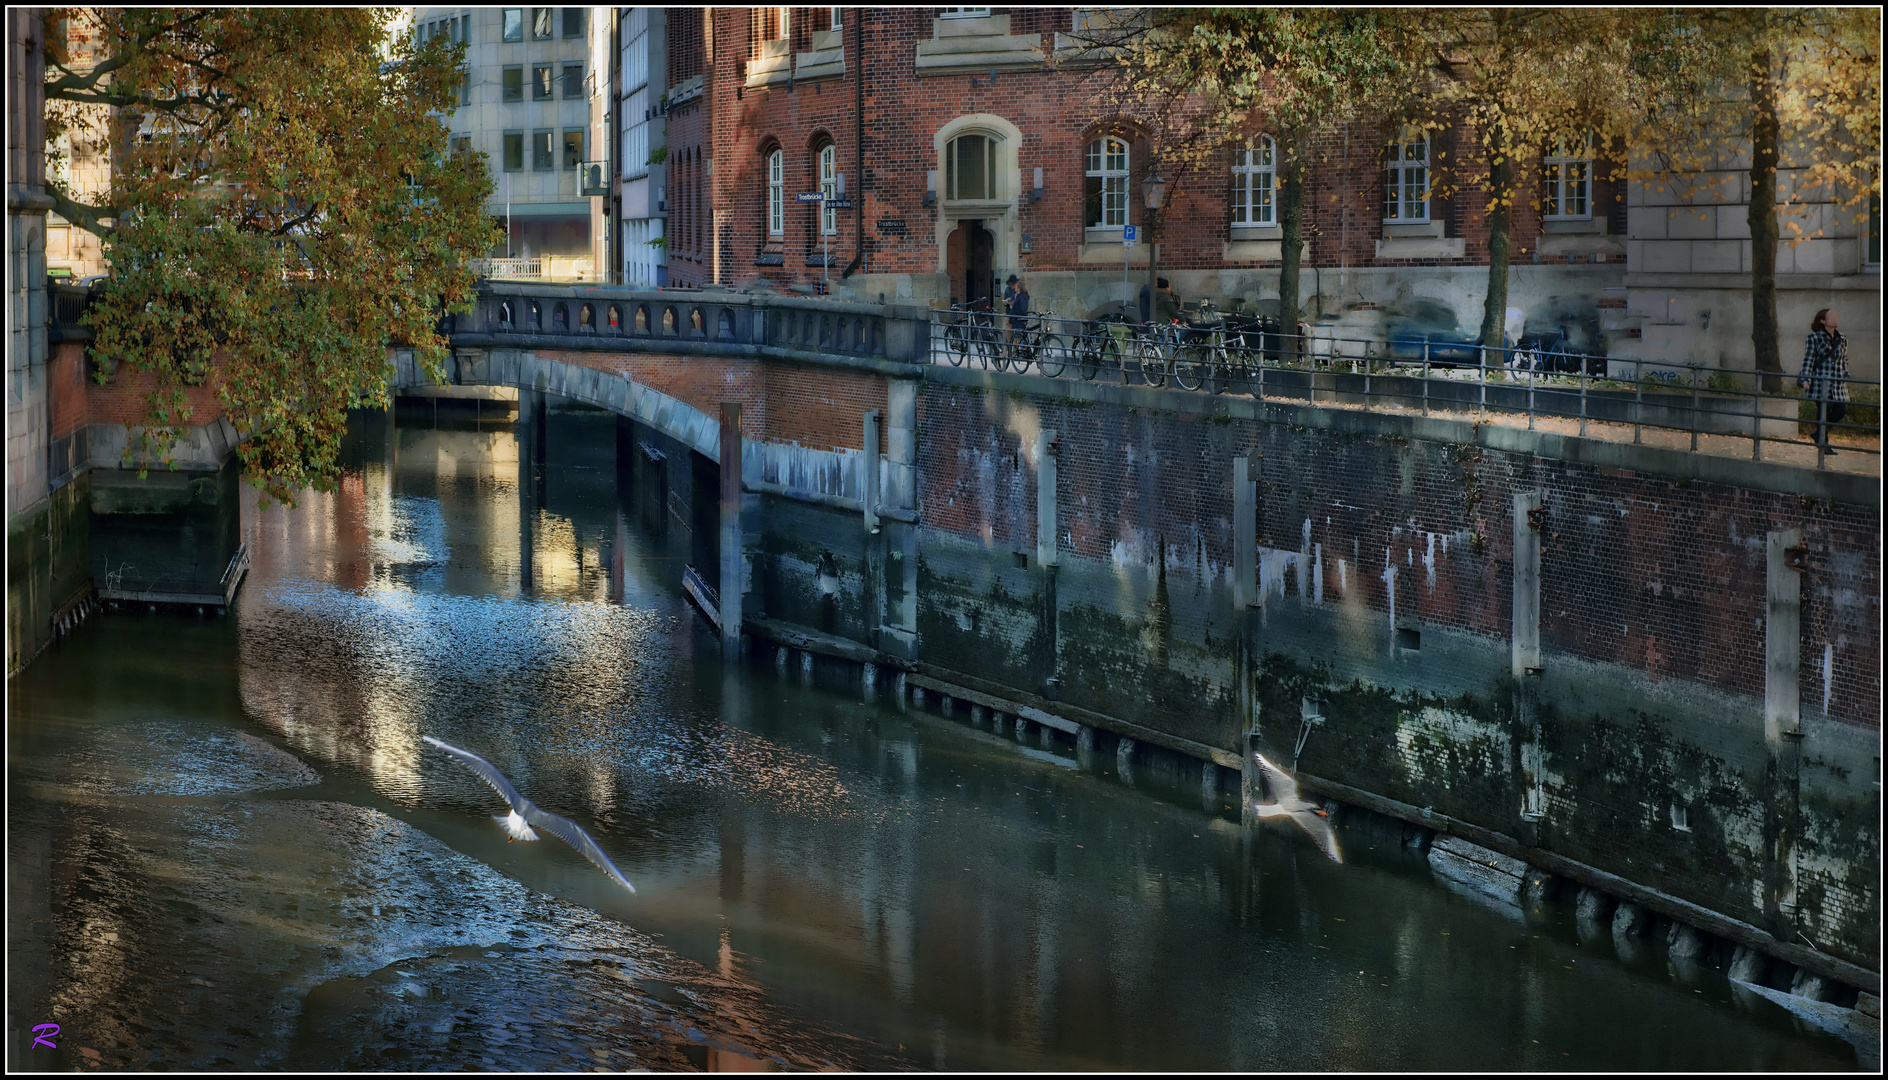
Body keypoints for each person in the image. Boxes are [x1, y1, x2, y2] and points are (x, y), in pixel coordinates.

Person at [1799, 308, 1849, 455]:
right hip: (1820, 382)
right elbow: (1809, 360)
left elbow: (1844, 359)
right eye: (1831, 316)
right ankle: (1824, 444)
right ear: (1823, 321)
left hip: (1838, 383)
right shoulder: (1814, 338)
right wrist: (1805, 379)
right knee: (1823, 413)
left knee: (1840, 411)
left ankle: (1818, 433)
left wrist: (1846, 374)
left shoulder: (1843, 338)